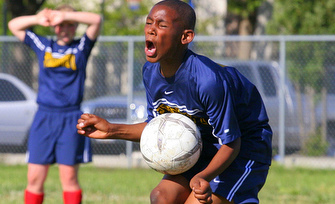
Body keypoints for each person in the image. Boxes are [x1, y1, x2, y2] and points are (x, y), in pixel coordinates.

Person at [77, 0, 272, 203]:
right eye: (149, 22)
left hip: (243, 146)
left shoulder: (207, 80)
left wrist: (203, 176)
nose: (151, 30)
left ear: (186, 36)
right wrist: (111, 130)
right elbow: (157, 127)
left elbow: (232, 141)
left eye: (162, 25)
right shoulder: (150, 72)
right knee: (161, 197)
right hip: (201, 143)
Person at [8, 4, 101, 204]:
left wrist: (64, 15)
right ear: (53, 27)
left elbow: (96, 20)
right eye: (60, 25)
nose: (64, 29)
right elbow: (13, 25)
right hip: (44, 117)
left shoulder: (81, 47)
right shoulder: (44, 45)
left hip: (71, 119)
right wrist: (39, 19)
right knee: (34, 178)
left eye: (70, 25)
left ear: (75, 26)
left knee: (68, 178)